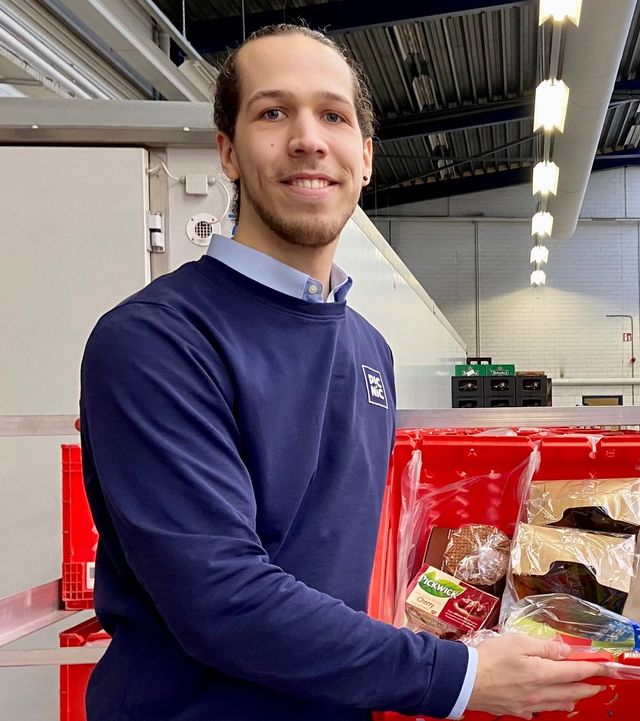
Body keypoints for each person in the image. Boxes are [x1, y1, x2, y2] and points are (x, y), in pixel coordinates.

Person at [77, 25, 602, 721]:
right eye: (273, 112)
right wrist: (455, 675)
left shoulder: (367, 348)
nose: (308, 139)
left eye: (333, 115)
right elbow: (220, 598)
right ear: (228, 152)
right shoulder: (158, 340)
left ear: (366, 156)